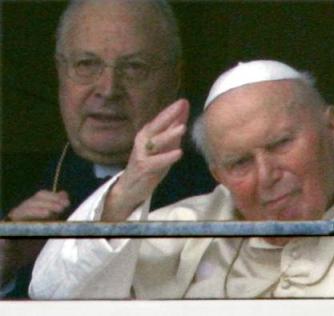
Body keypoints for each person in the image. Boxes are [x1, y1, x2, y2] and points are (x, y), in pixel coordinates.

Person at [29, 60, 334, 299]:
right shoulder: (187, 230)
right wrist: (129, 189)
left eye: (280, 144)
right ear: (218, 175)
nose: (267, 177)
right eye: (240, 162)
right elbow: (52, 293)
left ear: (331, 128)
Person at [0, 0, 214, 299]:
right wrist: (5, 262)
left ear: (173, 78)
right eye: (87, 64)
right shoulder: (12, 188)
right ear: (60, 71)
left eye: (134, 67)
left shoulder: (218, 188)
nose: (109, 89)